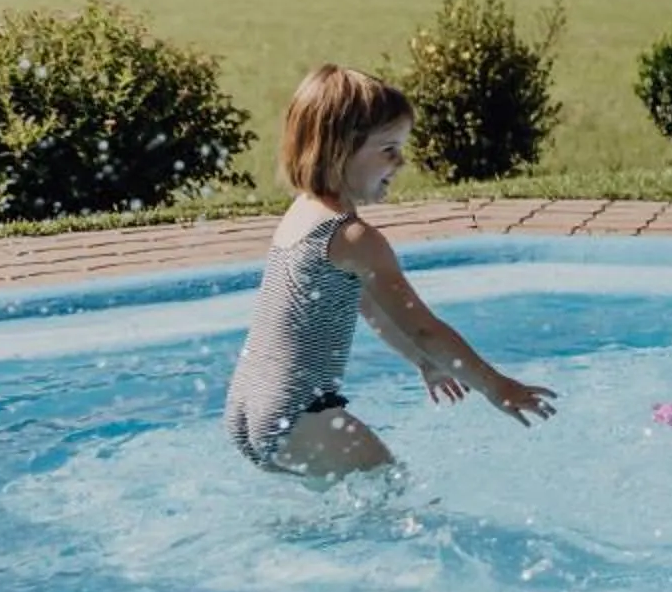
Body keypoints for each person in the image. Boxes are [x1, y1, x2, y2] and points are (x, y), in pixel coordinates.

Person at [225, 63, 557, 474]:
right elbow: (424, 328)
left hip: (248, 409)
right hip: (298, 414)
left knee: (346, 509)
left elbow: (368, 307)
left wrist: (422, 362)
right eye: (388, 149)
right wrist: (496, 386)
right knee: (391, 489)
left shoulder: (300, 214)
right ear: (339, 150)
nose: (400, 162)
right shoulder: (354, 238)